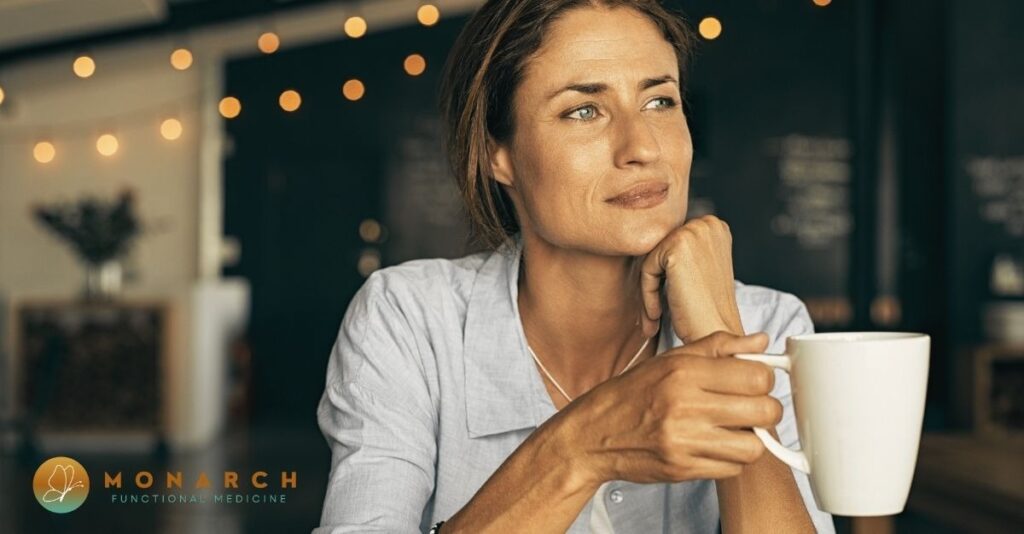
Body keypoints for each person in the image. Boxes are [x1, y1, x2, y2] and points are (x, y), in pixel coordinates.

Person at [315, 0, 835, 532]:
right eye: (583, 111)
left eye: (660, 101)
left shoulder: (770, 326)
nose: (643, 147)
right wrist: (581, 447)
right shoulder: (410, 320)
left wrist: (718, 333)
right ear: (500, 154)